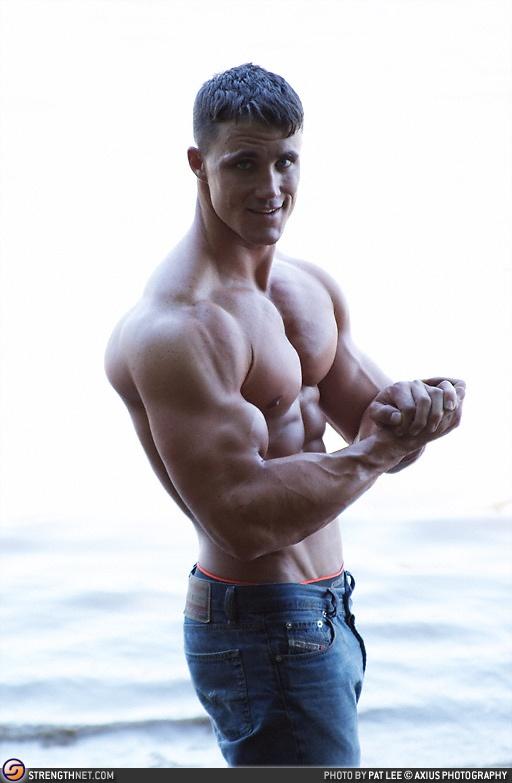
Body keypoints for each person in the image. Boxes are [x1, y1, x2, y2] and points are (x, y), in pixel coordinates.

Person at [104, 62, 465, 767]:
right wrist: (378, 451)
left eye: (286, 162)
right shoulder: (183, 325)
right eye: (244, 163)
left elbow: (379, 430)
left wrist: (420, 413)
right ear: (198, 164)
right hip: (261, 624)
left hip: (332, 603)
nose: (271, 187)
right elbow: (242, 520)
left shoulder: (307, 288)